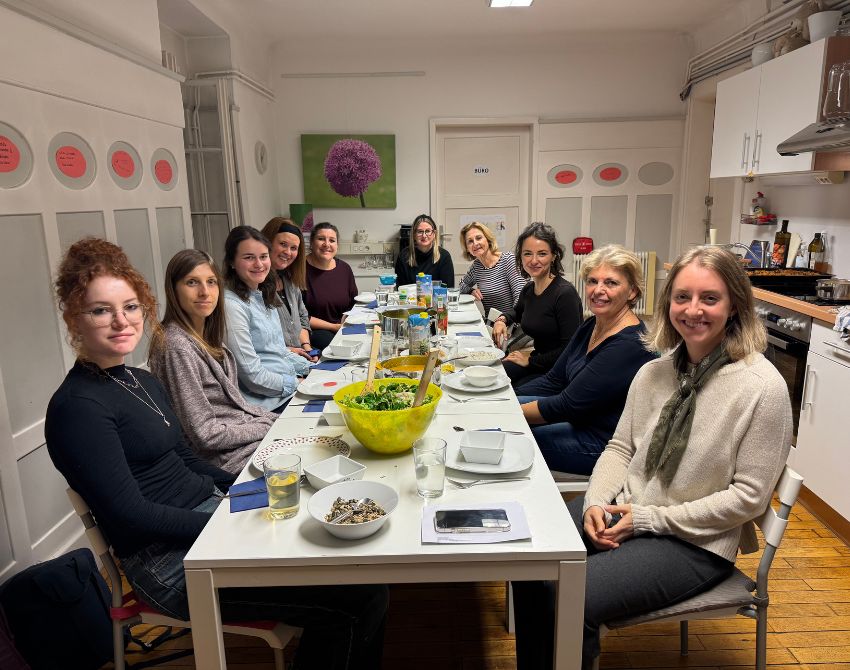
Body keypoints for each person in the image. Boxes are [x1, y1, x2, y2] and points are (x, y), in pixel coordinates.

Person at [45, 238, 388, 670]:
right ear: (73, 316)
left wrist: (249, 488)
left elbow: (187, 456)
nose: (121, 321)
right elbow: (131, 515)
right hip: (172, 566)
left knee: (352, 566)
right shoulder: (78, 408)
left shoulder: (137, 380)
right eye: (100, 310)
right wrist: (221, 522)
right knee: (359, 599)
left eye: (130, 307)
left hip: (209, 518)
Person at [512, 246, 792, 670]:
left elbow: (749, 499)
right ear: (667, 304)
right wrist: (594, 502)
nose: (692, 310)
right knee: (529, 561)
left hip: (694, 541)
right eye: (682, 297)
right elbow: (620, 448)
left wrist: (645, 520)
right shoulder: (655, 372)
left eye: (709, 298)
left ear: (735, 304)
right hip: (626, 509)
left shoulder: (761, 387)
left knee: (572, 596)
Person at [515, 245, 655, 475]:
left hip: (602, 443)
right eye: (592, 281)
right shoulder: (593, 323)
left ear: (632, 292)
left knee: (510, 439)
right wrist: (508, 399)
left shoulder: (629, 344)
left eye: (610, 283)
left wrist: (509, 412)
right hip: (578, 421)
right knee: (502, 417)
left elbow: (566, 405)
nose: (598, 290)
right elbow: (554, 380)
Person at [148, 249, 278, 473]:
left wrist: (275, 421)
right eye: (192, 282)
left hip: (247, 440)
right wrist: (268, 426)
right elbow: (205, 435)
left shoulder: (206, 334)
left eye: (211, 282)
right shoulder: (176, 346)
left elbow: (237, 406)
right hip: (228, 459)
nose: (204, 292)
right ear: (173, 290)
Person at [223, 226, 310, 412]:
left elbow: (278, 351)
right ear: (232, 261)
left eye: (263, 256)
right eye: (249, 258)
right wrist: (298, 383)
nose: (259, 264)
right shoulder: (231, 305)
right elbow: (252, 376)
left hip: (286, 389)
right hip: (268, 403)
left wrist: (312, 369)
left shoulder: (262, 294)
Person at [492, 222, 582, 386]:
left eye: (542, 254)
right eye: (527, 254)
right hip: (539, 360)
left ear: (554, 255)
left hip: (559, 370)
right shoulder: (529, 289)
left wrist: (531, 360)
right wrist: (501, 320)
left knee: (507, 392)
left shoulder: (565, 294)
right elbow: (517, 312)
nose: (534, 261)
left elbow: (570, 349)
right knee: (494, 374)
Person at [260, 217, 316, 362]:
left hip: (300, 358)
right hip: (276, 362)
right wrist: (289, 351)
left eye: (293, 248)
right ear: (267, 242)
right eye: (283, 244)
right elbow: (258, 341)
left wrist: (307, 347)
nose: (288, 252)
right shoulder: (256, 285)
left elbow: (303, 319)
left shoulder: (290, 281)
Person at [304, 222, 358, 350]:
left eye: (332, 240)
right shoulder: (300, 270)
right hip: (313, 331)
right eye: (321, 239)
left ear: (337, 245)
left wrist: (346, 322)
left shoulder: (344, 269)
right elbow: (297, 315)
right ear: (311, 243)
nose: (326, 244)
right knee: (339, 348)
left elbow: (353, 304)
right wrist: (333, 327)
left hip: (341, 327)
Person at [457, 221, 526, 316]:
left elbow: (521, 299)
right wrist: (471, 291)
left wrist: (505, 320)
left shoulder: (508, 260)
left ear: (488, 239)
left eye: (479, 238)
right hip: (491, 324)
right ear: (467, 249)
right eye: (470, 241)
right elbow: (461, 285)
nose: (475, 243)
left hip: (512, 324)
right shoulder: (477, 266)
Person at [394, 214, 455, 287]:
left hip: (437, 298)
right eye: (420, 231)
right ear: (414, 234)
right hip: (410, 298)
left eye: (428, 231)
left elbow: (448, 288)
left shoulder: (444, 256)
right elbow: (400, 289)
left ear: (434, 234)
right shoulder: (404, 256)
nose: (424, 235)